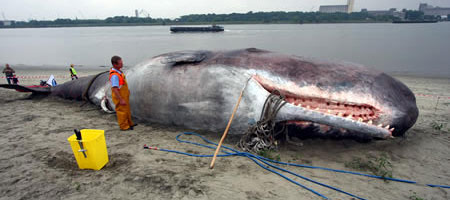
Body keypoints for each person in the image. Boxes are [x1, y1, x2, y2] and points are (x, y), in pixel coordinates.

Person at [109, 56, 137, 131]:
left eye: (122, 62)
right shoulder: (115, 75)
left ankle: (129, 123)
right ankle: (124, 126)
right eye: (120, 63)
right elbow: (115, 88)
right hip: (120, 96)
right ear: (115, 64)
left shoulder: (119, 72)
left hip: (124, 94)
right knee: (122, 111)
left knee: (127, 110)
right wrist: (120, 99)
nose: (122, 64)